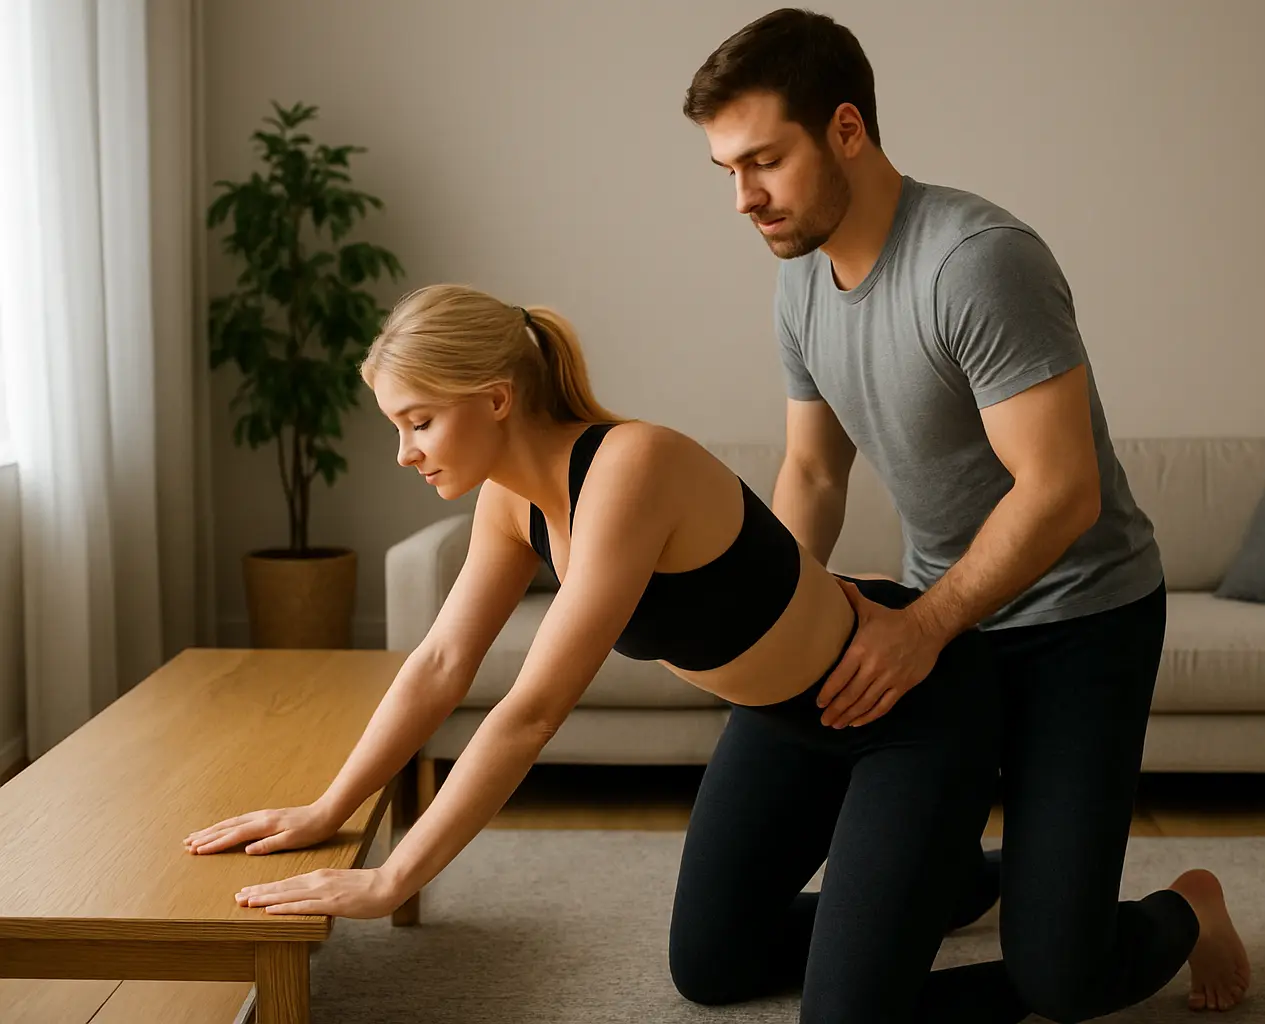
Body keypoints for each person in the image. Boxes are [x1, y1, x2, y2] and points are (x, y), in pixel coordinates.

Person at [183, 283, 1007, 1024]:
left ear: (496, 399)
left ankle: (1046, 949)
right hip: (780, 722)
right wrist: (328, 809)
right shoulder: (509, 504)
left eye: (419, 421)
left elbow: (531, 714)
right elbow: (440, 663)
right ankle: (944, 881)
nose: (405, 452)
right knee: (713, 967)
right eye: (397, 427)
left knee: (845, 1017)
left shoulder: (632, 466)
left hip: (906, 708)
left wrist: (394, 878)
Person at [682, 9, 1251, 1021]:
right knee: (719, 956)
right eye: (727, 169)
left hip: (1081, 622)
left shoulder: (976, 260)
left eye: (764, 160)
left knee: (1061, 977)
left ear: (847, 130)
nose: (742, 197)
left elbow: (1061, 490)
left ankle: (1184, 908)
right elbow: (813, 473)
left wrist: (924, 628)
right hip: (941, 616)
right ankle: (963, 879)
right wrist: (768, 627)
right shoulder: (800, 280)